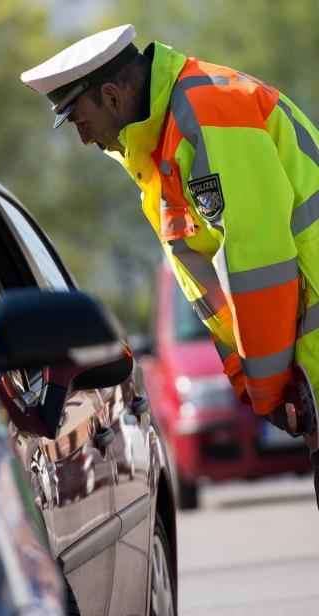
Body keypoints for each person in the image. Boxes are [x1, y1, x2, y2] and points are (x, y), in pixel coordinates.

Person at [21, 24, 319, 506]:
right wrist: (255, 382)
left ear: (113, 96)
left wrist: (266, 390)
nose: (84, 140)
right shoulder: (171, 137)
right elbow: (222, 287)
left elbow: (259, 265)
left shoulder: (207, 117)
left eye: (80, 122)